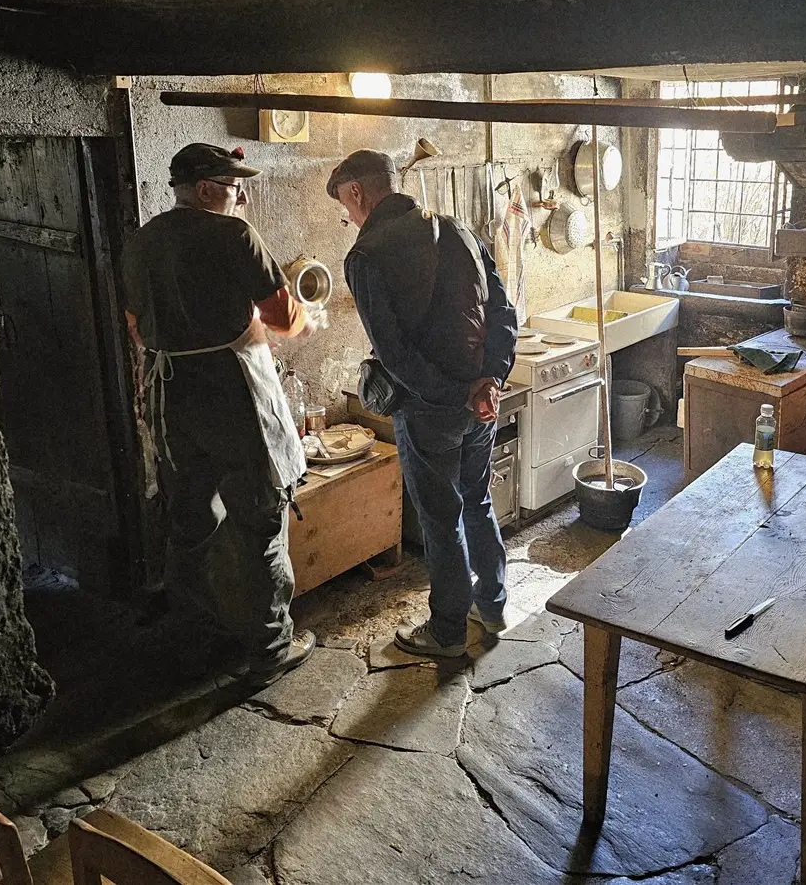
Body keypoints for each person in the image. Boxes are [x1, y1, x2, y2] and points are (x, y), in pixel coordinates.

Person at [122, 142, 316, 684]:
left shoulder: (143, 240)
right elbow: (281, 316)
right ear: (207, 189)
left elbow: (136, 324)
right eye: (234, 188)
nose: (242, 197)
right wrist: (305, 320)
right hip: (231, 397)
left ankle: (196, 640)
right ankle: (271, 649)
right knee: (260, 518)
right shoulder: (233, 234)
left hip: (170, 396)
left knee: (190, 522)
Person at [327, 149, 518, 658]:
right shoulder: (460, 229)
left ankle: (448, 632)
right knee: (476, 501)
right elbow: (503, 309)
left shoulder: (364, 257)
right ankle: (493, 604)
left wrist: (462, 391)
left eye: (346, 206)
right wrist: (490, 380)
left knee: (441, 519)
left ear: (357, 193)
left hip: (430, 409)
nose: (348, 217)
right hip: (481, 401)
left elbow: (395, 356)